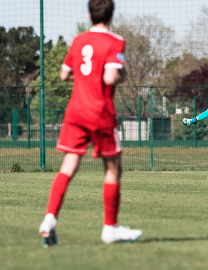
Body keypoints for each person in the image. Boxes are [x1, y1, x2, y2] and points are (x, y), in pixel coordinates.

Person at [38, 0, 142, 247]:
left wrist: (86, 75)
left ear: (89, 15)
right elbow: (109, 77)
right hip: (100, 113)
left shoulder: (78, 40)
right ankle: (110, 228)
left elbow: (64, 74)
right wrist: (122, 73)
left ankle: (49, 219)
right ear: (111, 15)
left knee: (68, 166)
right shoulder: (115, 41)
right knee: (113, 168)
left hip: (75, 112)